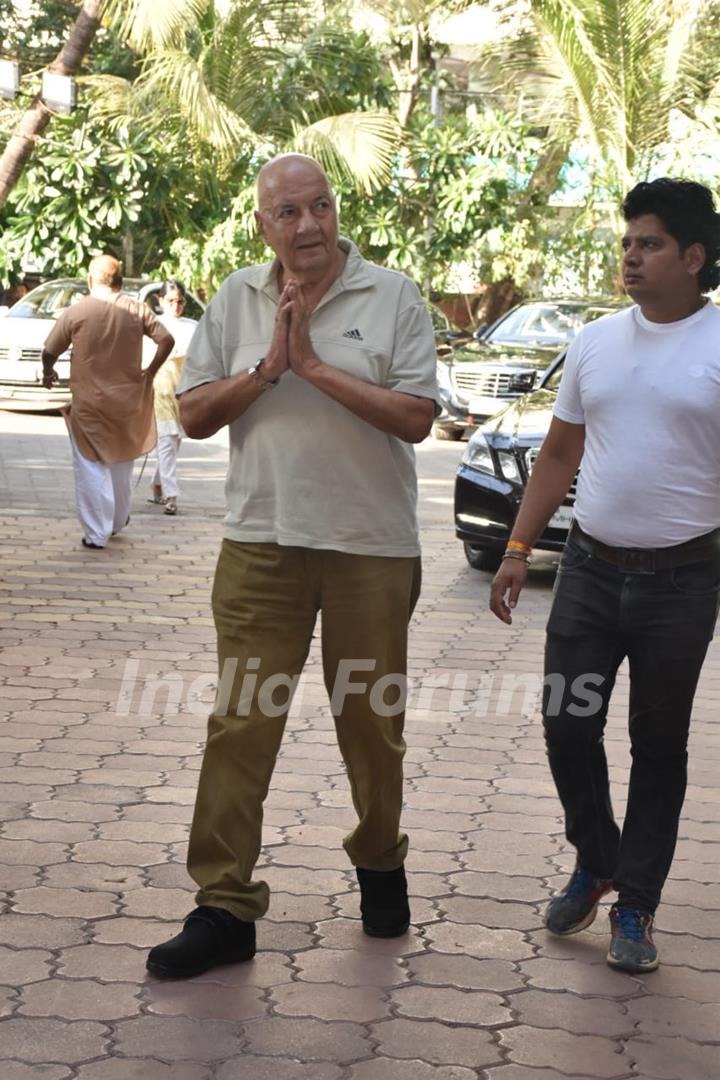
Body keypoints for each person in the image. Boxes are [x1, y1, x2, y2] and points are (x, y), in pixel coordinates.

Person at [146, 153, 438, 979]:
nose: (308, 225)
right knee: (240, 724)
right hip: (261, 545)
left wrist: (312, 366)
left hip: (371, 548)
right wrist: (268, 368)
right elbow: (195, 414)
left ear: (336, 211)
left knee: (372, 727)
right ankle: (224, 906)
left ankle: (380, 859)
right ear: (262, 225)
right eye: (288, 212)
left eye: (321, 207)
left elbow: (417, 416)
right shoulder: (237, 298)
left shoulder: (395, 295)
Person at [490, 177, 720, 974]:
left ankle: (638, 907)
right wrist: (518, 551)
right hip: (588, 570)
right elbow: (559, 455)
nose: (630, 254)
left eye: (649, 243)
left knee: (658, 746)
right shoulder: (594, 342)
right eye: (627, 242)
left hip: (683, 581)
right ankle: (597, 859)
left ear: (694, 257)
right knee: (566, 724)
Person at [41, 255, 174, 549]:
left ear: (90, 280)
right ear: (121, 283)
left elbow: (50, 349)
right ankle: (115, 522)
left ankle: (97, 533)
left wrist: (49, 370)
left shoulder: (78, 311)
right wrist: (150, 372)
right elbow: (167, 340)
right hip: (127, 403)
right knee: (120, 463)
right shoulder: (137, 310)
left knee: (90, 465)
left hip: (89, 405)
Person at [147, 279, 198, 515]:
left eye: (180, 301)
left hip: (183, 391)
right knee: (167, 440)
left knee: (173, 441)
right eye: (170, 301)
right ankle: (171, 495)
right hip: (160, 390)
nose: (175, 306)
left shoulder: (193, 327)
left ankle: (157, 485)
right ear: (160, 301)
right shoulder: (153, 325)